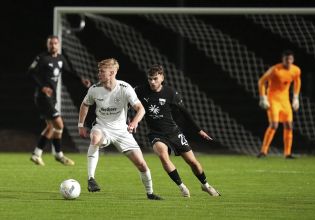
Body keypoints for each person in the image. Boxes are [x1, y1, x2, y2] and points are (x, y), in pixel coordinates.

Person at [78, 58, 162, 200]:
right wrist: (80, 125)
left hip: (122, 132)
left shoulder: (124, 88)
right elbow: (85, 104)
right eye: (99, 71)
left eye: (102, 71)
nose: (98, 74)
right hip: (102, 127)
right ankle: (91, 179)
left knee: (141, 164)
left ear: (112, 72)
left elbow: (141, 109)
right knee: (95, 138)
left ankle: (150, 193)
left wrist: (134, 122)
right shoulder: (94, 89)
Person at [134, 64, 221, 198]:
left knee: (192, 162)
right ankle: (182, 186)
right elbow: (126, 96)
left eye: (155, 79)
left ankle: (206, 185)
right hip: (156, 133)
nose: (152, 82)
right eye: (150, 79)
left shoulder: (171, 93)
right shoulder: (140, 90)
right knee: (163, 155)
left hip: (174, 132)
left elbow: (184, 113)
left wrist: (199, 130)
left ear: (162, 78)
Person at [28, 35, 91, 166]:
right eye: (51, 43)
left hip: (52, 97)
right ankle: (59, 154)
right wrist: (43, 87)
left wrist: (81, 79)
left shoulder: (61, 58)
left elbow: (69, 71)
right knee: (59, 124)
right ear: (47, 45)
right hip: (42, 97)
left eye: (55, 43)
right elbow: (30, 72)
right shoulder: (42, 58)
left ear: (59, 44)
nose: (53, 46)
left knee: (51, 126)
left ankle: (36, 154)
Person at [257, 50, 301, 159]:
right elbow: (262, 81)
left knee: (289, 125)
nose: (288, 61)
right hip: (273, 100)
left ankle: (287, 153)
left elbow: (297, 82)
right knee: (274, 125)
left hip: (285, 101)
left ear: (293, 60)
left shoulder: (296, 70)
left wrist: (296, 98)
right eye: (286, 59)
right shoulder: (275, 69)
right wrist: (263, 98)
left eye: (290, 59)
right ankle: (263, 151)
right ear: (283, 60)